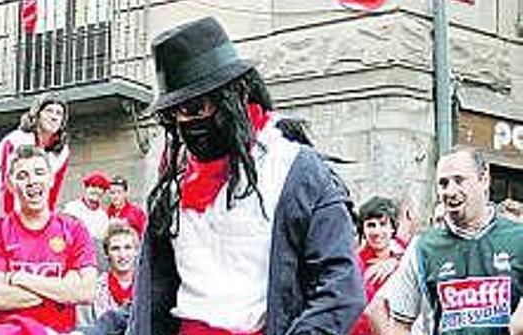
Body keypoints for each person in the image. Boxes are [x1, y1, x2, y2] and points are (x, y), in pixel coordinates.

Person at [130, 17, 364, 335]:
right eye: (177, 114)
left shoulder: (295, 170)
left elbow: (341, 290)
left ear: (235, 97)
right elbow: (151, 299)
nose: (188, 124)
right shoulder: (171, 189)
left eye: (197, 108)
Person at [378, 146, 523, 334]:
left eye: (459, 180)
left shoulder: (518, 238)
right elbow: (399, 325)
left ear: (484, 180)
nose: (450, 191)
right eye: (443, 184)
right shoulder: (422, 248)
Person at [0, 145, 97, 333]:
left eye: (39, 172)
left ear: (50, 179)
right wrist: (62, 291)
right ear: (10, 184)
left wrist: (19, 278)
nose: (32, 181)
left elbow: (86, 292)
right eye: (22, 176)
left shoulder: (75, 229)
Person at [0, 95, 69, 219]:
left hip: (33, 198)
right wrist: (7, 220)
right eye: (49, 111)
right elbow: (6, 184)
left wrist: (46, 219)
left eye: (59, 113)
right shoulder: (16, 140)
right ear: (37, 115)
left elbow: (53, 189)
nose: (54, 117)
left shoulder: (62, 151)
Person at [351, 196, 406, 335]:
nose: (377, 231)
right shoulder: (354, 265)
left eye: (382, 224)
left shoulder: (406, 256)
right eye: (371, 225)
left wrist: (396, 262)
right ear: (362, 230)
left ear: (392, 228)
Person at [86, 222, 139, 325]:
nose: (122, 255)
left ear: (136, 251)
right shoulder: (95, 288)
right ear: (106, 253)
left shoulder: (146, 286)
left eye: (127, 247)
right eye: (115, 249)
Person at [63, 170, 111, 241]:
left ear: (103, 192)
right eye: (93, 186)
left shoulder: (103, 217)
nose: (96, 190)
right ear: (85, 188)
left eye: (100, 187)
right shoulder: (71, 209)